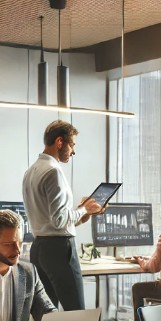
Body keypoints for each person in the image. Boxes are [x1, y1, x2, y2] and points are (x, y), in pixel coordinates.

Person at [21, 120, 103, 310]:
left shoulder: (30, 172)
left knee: (47, 313)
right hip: (59, 249)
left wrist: (84, 214)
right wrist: (85, 209)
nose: (73, 151)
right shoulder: (53, 171)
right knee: (76, 311)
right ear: (60, 142)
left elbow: (50, 219)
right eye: (72, 145)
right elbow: (59, 221)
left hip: (39, 248)